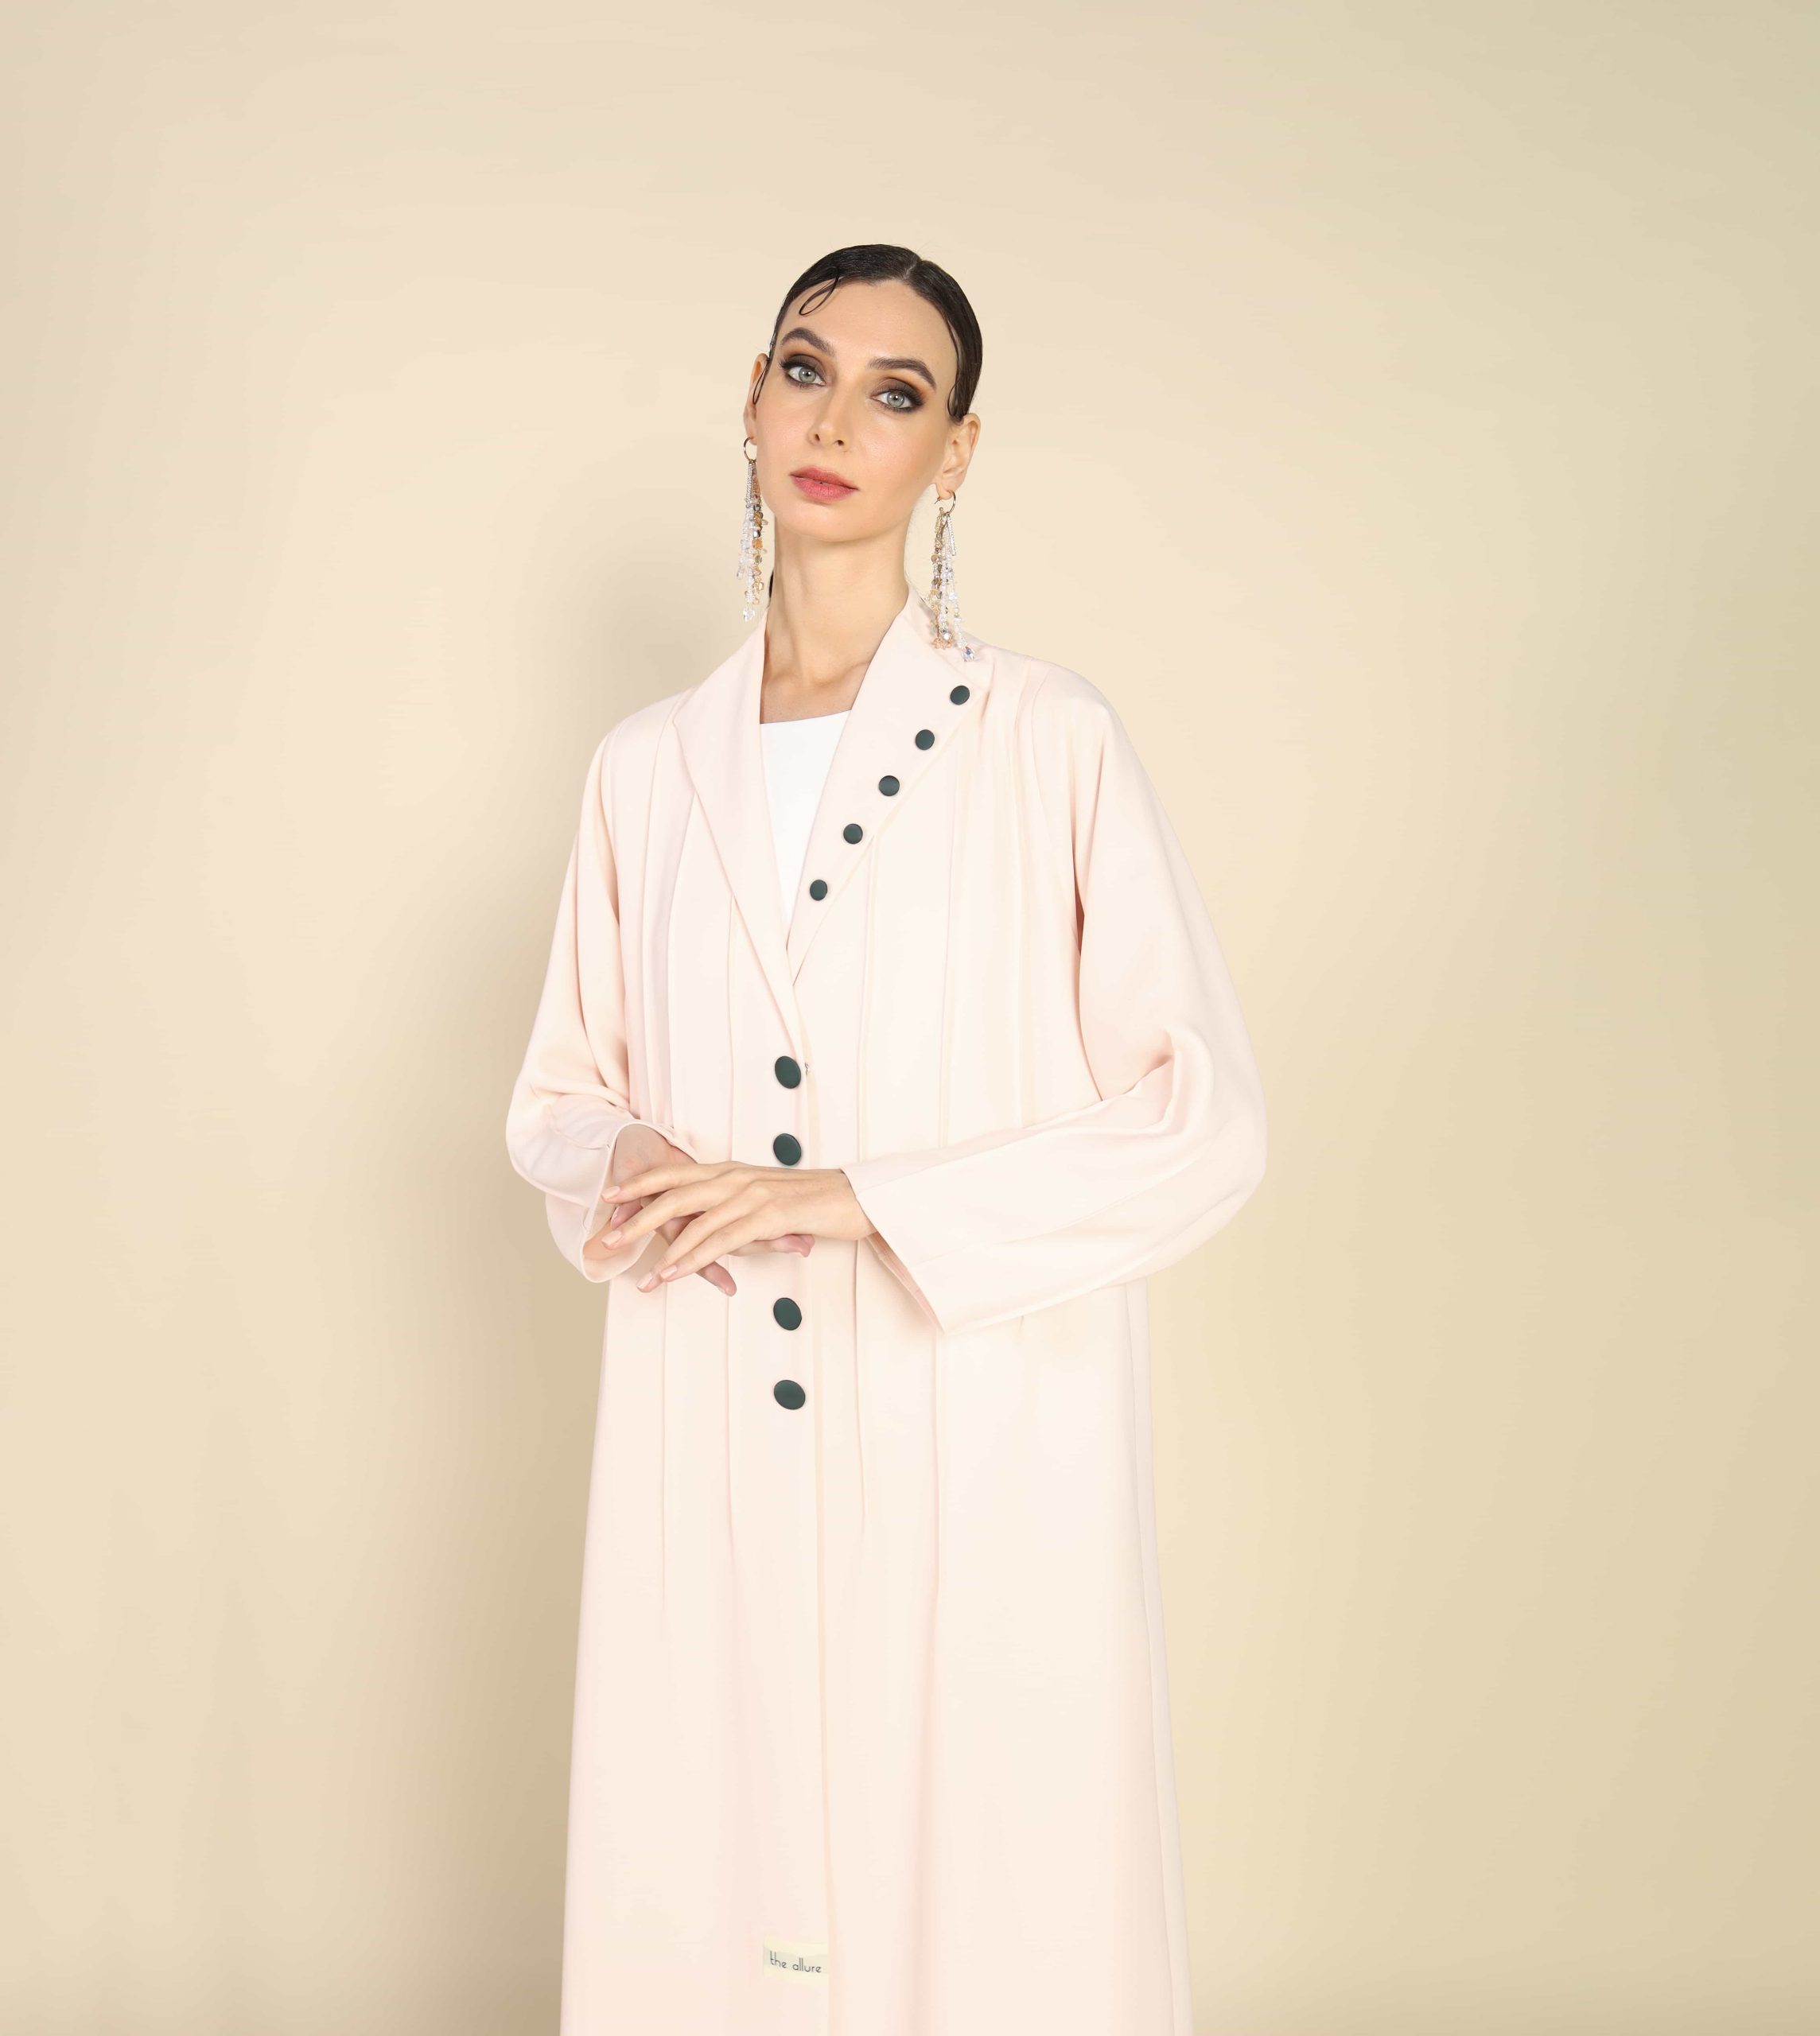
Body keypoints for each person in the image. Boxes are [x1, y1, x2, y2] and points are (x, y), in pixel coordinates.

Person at [504, 242, 1268, 2036]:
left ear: (956, 451)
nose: (835, 420)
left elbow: (1200, 1122)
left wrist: (856, 1196)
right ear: (751, 402)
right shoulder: (644, 769)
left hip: (977, 1431)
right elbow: (557, 1096)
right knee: (714, 1892)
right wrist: (623, 1159)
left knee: (992, 1904)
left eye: (894, 392)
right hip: (705, 1416)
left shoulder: (1044, 739)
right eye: (804, 368)